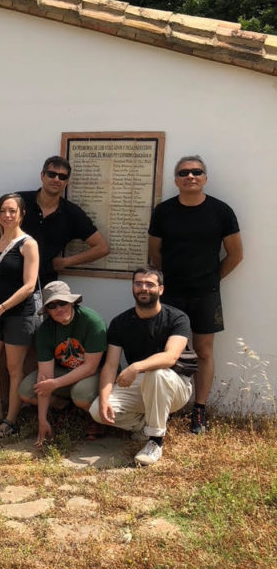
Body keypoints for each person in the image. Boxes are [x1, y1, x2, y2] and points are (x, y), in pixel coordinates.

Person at [148, 155, 243, 434]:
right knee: (165, 351)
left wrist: (212, 280)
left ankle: (198, 411)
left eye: (197, 172)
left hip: (205, 293)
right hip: (170, 293)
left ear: (205, 178)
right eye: (184, 172)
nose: (191, 176)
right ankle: (162, 407)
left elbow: (236, 254)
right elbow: (155, 253)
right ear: (176, 180)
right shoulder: (164, 211)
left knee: (203, 351)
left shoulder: (221, 211)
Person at [90, 267, 196, 466]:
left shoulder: (177, 318)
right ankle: (147, 425)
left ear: (161, 289)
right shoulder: (120, 322)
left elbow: (170, 357)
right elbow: (111, 365)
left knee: (156, 373)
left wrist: (136, 366)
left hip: (175, 384)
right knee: (97, 411)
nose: (143, 288)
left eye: (149, 284)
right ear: (133, 288)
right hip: (141, 382)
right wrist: (104, 399)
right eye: (138, 284)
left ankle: (155, 441)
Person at [0, 193, 39, 439]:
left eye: (13, 211)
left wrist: (1, 308)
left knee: (14, 369)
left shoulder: (28, 244)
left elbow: (29, 286)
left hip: (18, 314)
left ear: (22, 214)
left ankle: (11, 420)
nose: (7, 215)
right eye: (3, 210)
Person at [18, 281, 107, 446]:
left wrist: (55, 384)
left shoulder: (91, 321)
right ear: (47, 311)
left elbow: (91, 367)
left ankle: (95, 419)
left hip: (96, 372)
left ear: (72, 302)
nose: (59, 309)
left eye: (63, 303)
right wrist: (42, 419)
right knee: (26, 391)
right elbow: (45, 375)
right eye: (52, 306)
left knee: (81, 394)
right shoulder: (45, 331)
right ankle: (64, 407)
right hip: (64, 371)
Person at [18, 156, 110, 288]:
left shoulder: (72, 213)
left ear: (66, 182)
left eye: (62, 177)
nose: (56, 179)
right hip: (10, 278)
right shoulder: (19, 201)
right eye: (52, 174)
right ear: (42, 176)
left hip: (43, 284)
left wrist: (65, 262)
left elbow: (102, 248)